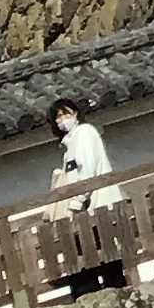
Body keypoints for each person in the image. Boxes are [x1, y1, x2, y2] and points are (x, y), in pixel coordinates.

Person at [47, 102, 124, 296]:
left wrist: (75, 204)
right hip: (90, 210)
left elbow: (87, 171)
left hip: (98, 206)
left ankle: (114, 296)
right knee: (99, 258)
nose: (63, 120)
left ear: (76, 114)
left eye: (66, 114)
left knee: (104, 258)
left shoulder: (84, 133)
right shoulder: (69, 146)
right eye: (58, 117)